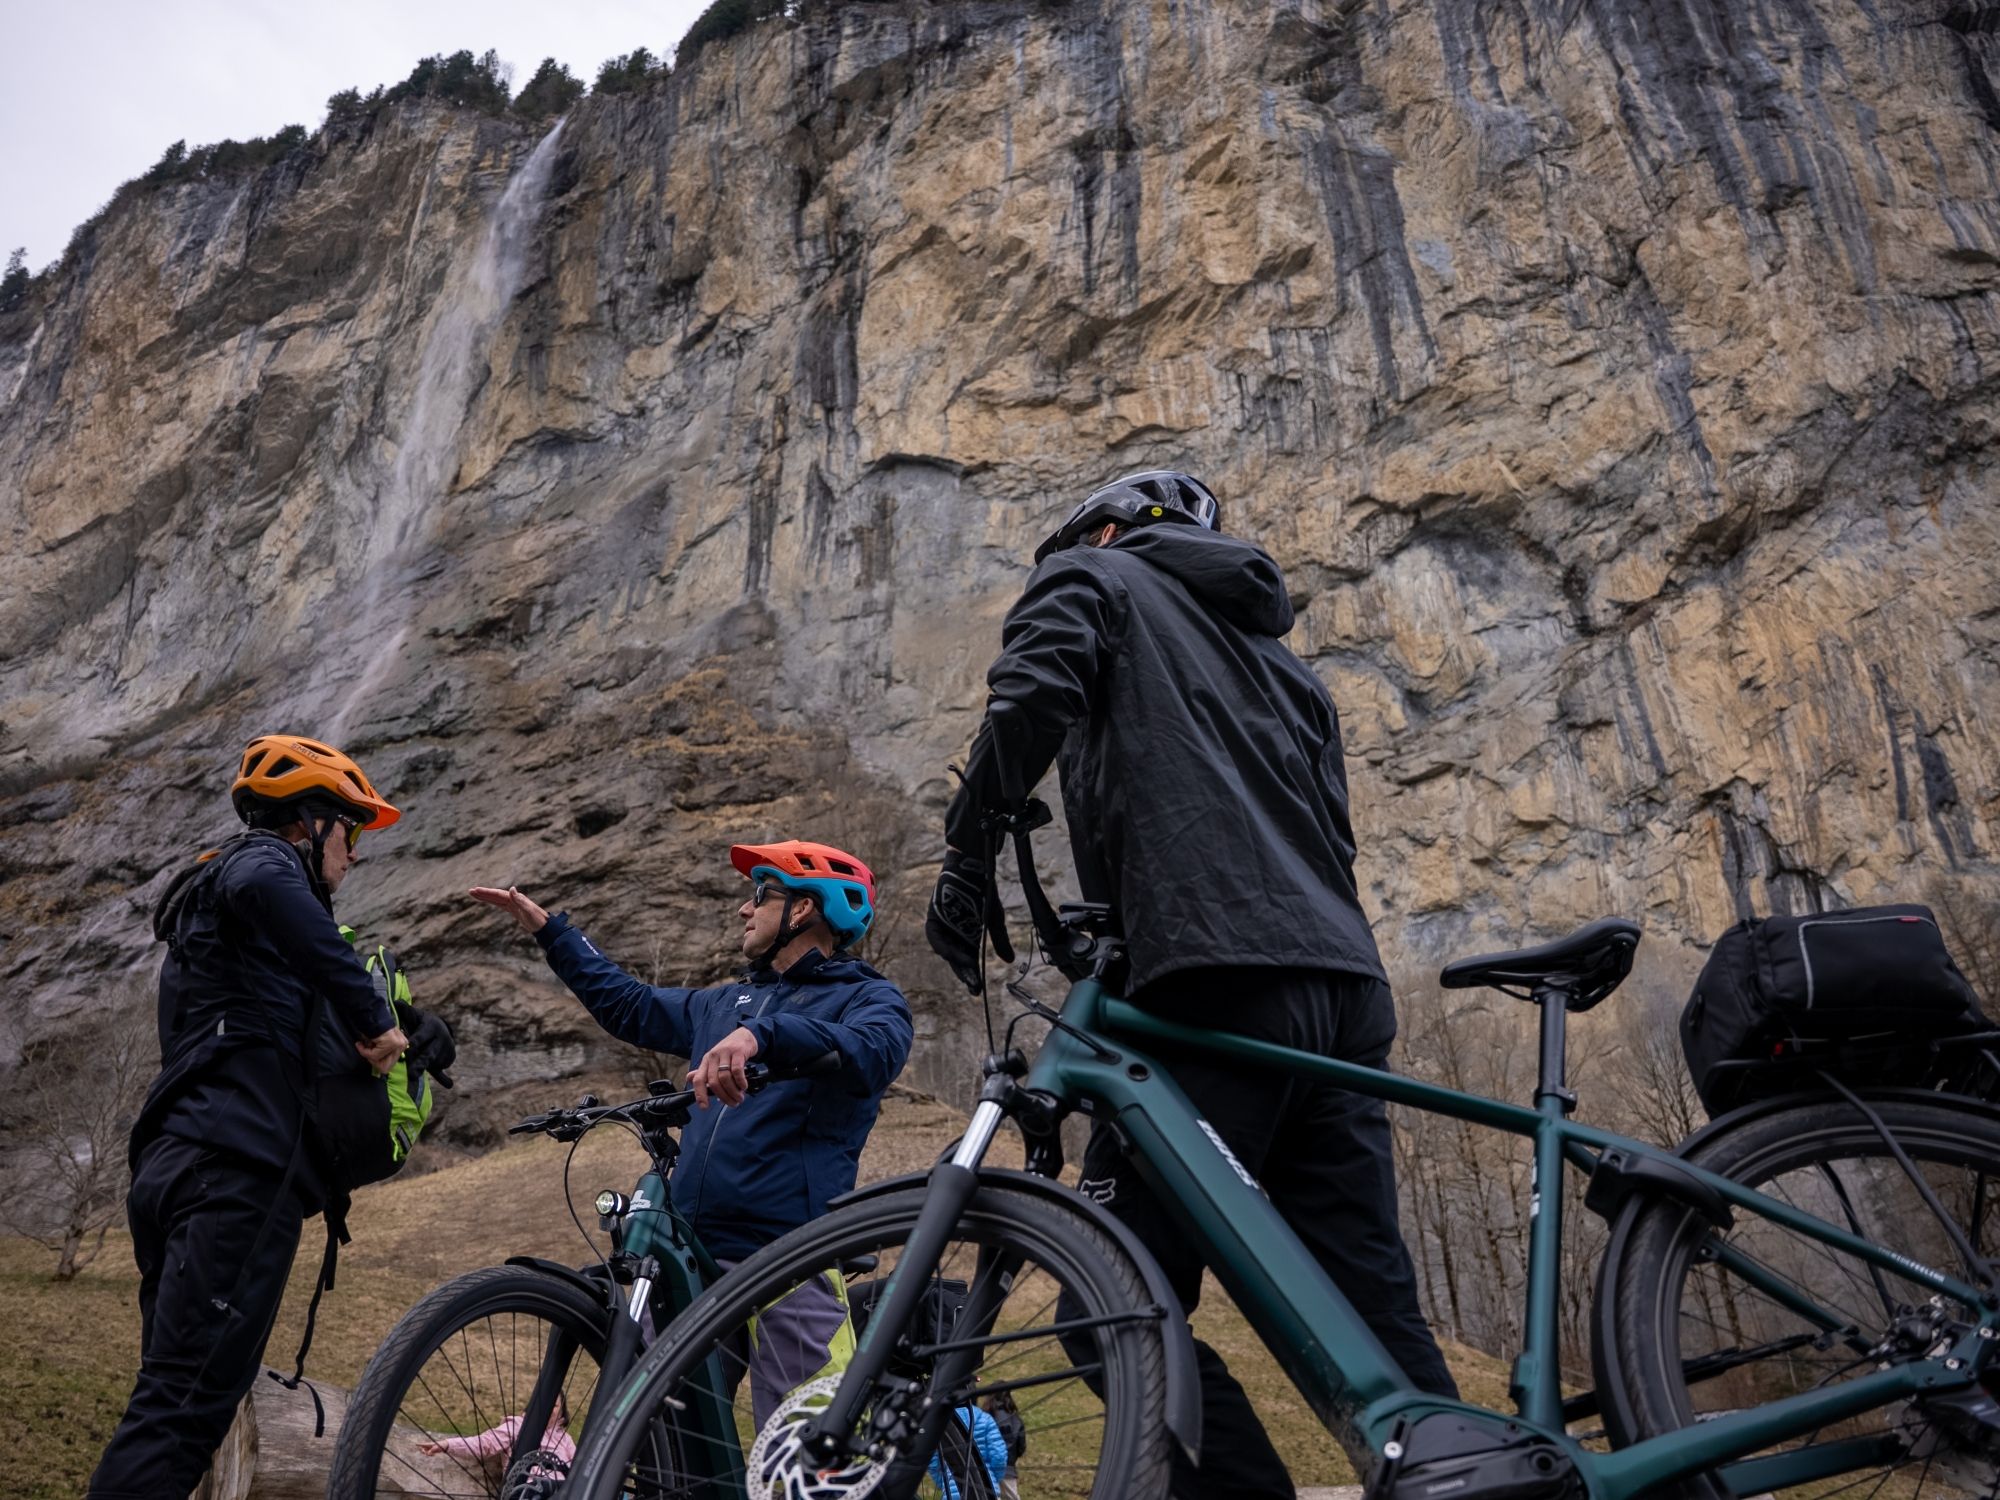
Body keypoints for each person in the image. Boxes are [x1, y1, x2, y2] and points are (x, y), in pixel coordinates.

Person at [927, 471, 1458, 1499]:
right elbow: (1328, 839)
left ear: (1109, 529)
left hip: (1214, 978)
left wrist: (965, 847)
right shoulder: (1284, 667)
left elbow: (1033, 693)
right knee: (1369, 1315)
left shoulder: (1094, 573)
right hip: (1341, 990)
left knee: (1104, 1300)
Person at [470, 838, 914, 1421]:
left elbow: (873, 1051)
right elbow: (628, 1004)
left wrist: (765, 1036)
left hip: (789, 1256)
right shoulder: (726, 1002)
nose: (744, 909)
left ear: (802, 909)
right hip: (692, 1257)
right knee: (662, 1452)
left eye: (760, 894)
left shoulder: (868, 998)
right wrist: (554, 933)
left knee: (805, 1460)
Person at [89, 735, 409, 1500]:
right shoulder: (260, 863)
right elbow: (279, 898)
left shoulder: (217, 945)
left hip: (176, 1166)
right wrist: (373, 1017)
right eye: (352, 831)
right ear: (311, 821)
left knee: (175, 1402)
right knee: (179, 1415)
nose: (355, 855)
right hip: (234, 1175)